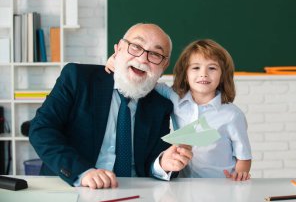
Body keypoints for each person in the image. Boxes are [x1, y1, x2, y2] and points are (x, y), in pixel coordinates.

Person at [29, 23, 193, 189]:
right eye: (136, 46)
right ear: (118, 49)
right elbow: (41, 129)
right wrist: (83, 173)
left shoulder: (161, 105)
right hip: (73, 188)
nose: (143, 59)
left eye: (156, 54)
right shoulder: (77, 78)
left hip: (135, 193)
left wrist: (162, 163)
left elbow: (151, 161)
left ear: (164, 66)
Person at [106, 39, 252, 181]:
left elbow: (243, 155)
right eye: (196, 68)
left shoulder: (232, 115)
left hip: (220, 184)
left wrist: (240, 174)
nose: (204, 74)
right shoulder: (175, 97)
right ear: (186, 74)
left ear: (222, 75)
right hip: (183, 185)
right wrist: (118, 63)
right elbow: (146, 79)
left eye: (212, 68)